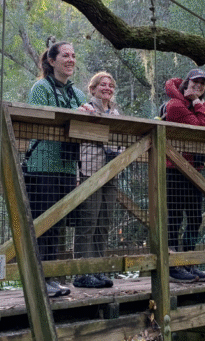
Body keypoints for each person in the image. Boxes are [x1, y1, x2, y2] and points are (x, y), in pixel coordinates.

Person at [24, 41, 89, 297]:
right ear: (52, 61)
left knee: (57, 225)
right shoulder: (40, 88)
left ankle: (50, 279)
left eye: (73, 55)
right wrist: (76, 113)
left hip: (67, 168)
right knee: (41, 226)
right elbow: (42, 119)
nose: (70, 59)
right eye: (65, 55)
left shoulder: (78, 94)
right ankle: (37, 282)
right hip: (42, 167)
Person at [164, 68, 205, 283]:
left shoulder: (197, 104)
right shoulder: (175, 105)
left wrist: (198, 102)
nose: (198, 86)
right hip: (174, 169)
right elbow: (199, 127)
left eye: (202, 84)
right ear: (186, 83)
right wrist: (198, 104)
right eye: (195, 82)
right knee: (174, 218)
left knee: (195, 218)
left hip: (194, 171)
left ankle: (188, 262)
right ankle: (172, 265)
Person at [71, 72, 122, 289]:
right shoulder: (85, 109)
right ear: (92, 89)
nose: (107, 88)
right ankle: (82, 272)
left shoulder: (116, 113)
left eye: (110, 85)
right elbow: (74, 143)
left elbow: (122, 141)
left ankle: (99, 270)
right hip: (89, 172)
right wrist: (76, 177)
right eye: (103, 84)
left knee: (103, 223)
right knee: (87, 222)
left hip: (111, 173)